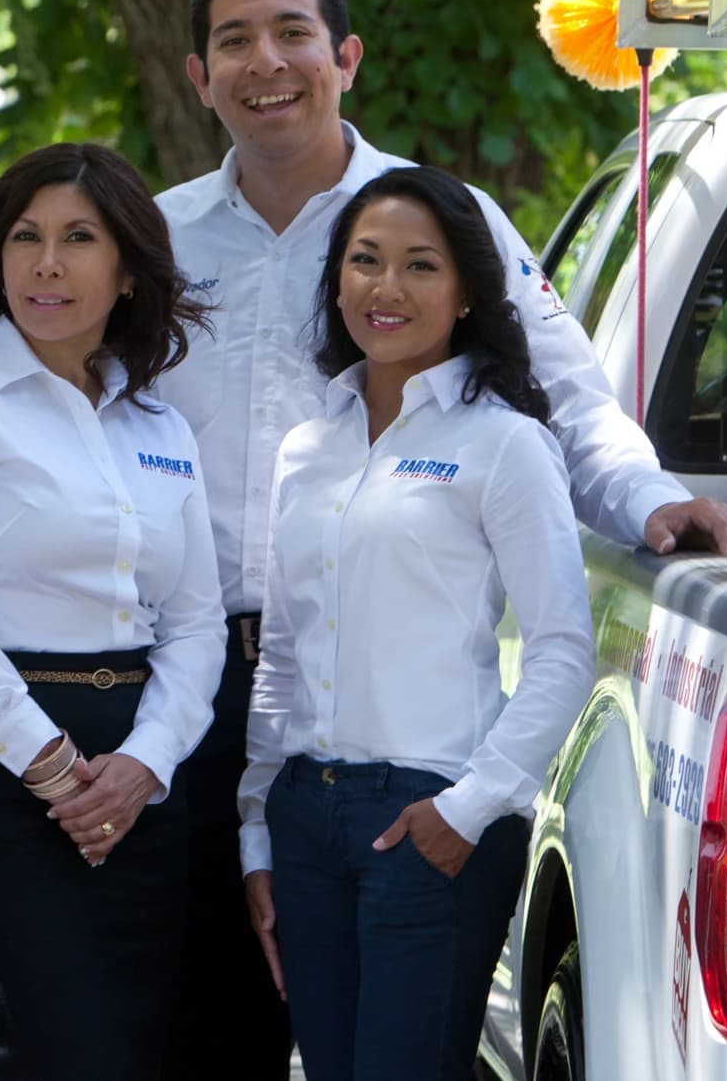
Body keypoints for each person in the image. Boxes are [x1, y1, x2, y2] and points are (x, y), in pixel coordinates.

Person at [152, 0, 727, 1075]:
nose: (265, 63)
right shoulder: (157, 238)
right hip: (197, 691)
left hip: (394, 720)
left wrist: (650, 500)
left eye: (292, 34)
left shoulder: (439, 215)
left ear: (346, 57)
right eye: (235, 41)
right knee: (203, 1025)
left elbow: (564, 397)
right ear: (198, 74)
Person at [0, 143, 226, 1081]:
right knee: (26, 1054)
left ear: (130, 269)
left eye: (79, 238)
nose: (47, 264)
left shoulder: (162, 427)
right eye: (25, 238)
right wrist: (53, 766)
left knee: (134, 1053)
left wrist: (146, 762)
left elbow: (195, 623)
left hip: (137, 785)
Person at [240, 165, 594, 1081]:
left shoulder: (505, 442)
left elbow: (563, 652)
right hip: (304, 819)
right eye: (365, 260)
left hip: (430, 817)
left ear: (468, 290)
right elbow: (283, 654)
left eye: (420, 264)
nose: (386, 287)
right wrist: (258, 825)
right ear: (337, 280)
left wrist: (466, 809)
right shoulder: (307, 448)